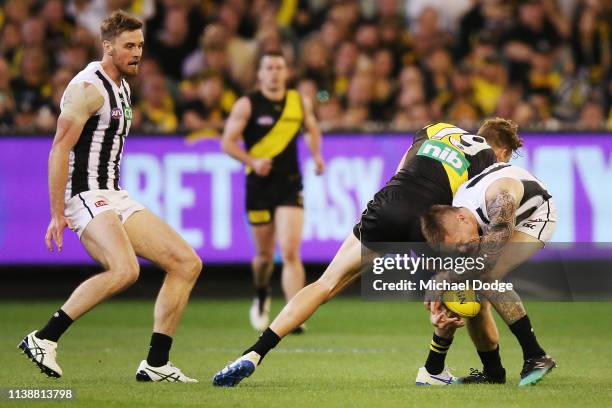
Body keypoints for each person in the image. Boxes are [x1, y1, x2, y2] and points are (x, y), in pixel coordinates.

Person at [212, 121, 500, 387]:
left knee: (325, 284)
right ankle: (434, 369)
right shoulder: (486, 155)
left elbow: (399, 171)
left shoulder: (434, 129)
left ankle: (255, 352)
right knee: (454, 294)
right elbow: (465, 207)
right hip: (430, 219)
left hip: (391, 203)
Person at [18, 11, 201, 383]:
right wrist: (57, 213)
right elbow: (59, 149)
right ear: (108, 46)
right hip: (84, 194)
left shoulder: (123, 87)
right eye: (129, 46)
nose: (137, 53)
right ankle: (44, 338)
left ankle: (156, 363)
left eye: (140, 46)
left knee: (186, 263)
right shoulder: (88, 86)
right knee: (125, 270)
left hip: (114, 194)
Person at [419, 161, 558, 386]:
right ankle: (492, 372)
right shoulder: (460, 217)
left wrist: (444, 279)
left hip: (535, 215)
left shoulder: (498, 198)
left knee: (486, 276)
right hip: (497, 221)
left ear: (461, 219)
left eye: (462, 244)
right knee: (470, 291)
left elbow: (488, 255)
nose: (463, 249)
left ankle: (536, 355)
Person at [221, 50, 325, 332]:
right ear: (260, 73)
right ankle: (262, 290)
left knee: (291, 251)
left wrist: (317, 156)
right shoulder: (247, 104)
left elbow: (312, 129)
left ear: (286, 72)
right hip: (259, 186)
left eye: (279, 67)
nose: (274, 73)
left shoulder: (298, 102)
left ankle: (294, 316)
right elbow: (227, 143)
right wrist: (252, 161)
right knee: (265, 257)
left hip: (290, 183)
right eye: (269, 68)